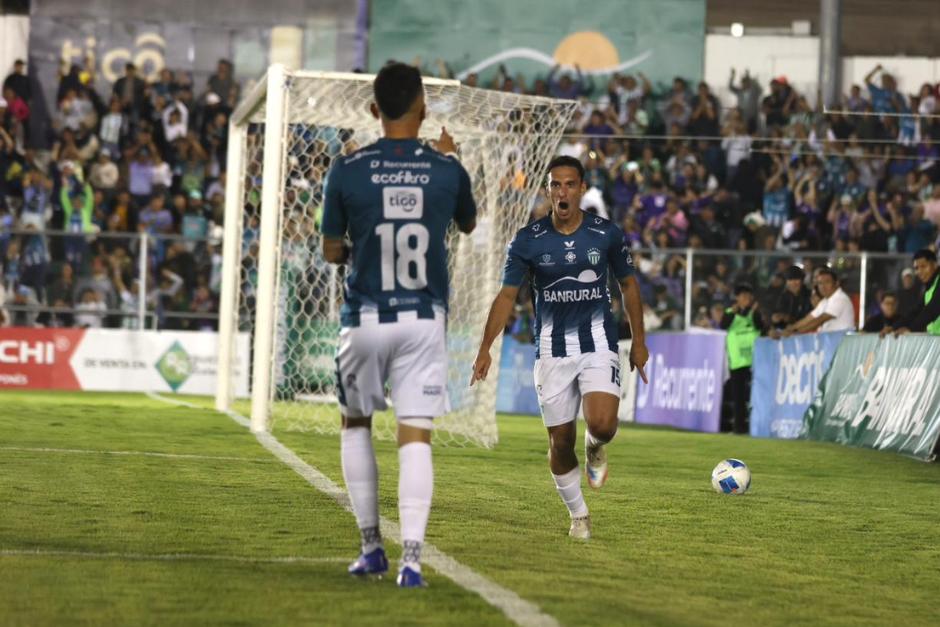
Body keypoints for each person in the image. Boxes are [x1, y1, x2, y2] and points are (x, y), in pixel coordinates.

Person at [320, 62, 477, 588]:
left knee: (356, 424)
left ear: (372, 110)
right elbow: (469, 222)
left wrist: (359, 246)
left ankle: (371, 548)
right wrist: (450, 159)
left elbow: (330, 250)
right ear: (424, 109)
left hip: (363, 317)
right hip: (423, 318)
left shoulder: (346, 168)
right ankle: (411, 559)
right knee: (416, 436)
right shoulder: (447, 169)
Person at [470, 155, 649, 541]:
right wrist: (486, 346)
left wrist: (639, 341)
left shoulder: (607, 234)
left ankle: (596, 446)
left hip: (598, 343)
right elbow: (506, 296)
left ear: (582, 189)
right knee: (559, 441)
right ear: (548, 190)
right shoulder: (528, 240)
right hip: (551, 350)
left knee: (603, 424)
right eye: (556, 185)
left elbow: (629, 286)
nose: (562, 191)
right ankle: (579, 514)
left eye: (570, 184)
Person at [720, 283, 765, 434]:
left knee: (755, 394)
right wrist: (732, 312)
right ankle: (739, 428)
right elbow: (723, 325)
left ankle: (756, 427)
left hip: (754, 361)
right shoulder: (730, 312)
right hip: (737, 361)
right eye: (742, 296)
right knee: (738, 397)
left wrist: (755, 311)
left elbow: (761, 326)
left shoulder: (755, 313)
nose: (746, 299)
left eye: (748, 296)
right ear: (737, 298)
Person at [780, 267, 855, 336]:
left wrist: (795, 332)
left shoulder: (840, 298)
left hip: (842, 343)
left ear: (836, 283)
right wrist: (790, 329)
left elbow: (819, 320)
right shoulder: (826, 300)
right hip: (831, 341)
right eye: (820, 283)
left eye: (827, 282)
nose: (823, 286)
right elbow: (809, 318)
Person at [887, 249, 940, 337]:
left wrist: (912, 329)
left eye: (923, 266)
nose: (919, 272)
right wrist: (893, 327)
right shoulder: (930, 286)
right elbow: (915, 311)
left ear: (935, 265)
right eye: (916, 268)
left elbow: (933, 309)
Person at [771, 265, 812, 331]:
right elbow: (776, 315)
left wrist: (790, 319)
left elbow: (811, 318)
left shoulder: (810, 295)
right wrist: (775, 319)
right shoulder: (782, 296)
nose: (793, 283)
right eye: (790, 279)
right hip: (786, 334)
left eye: (796, 279)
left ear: (802, 280)